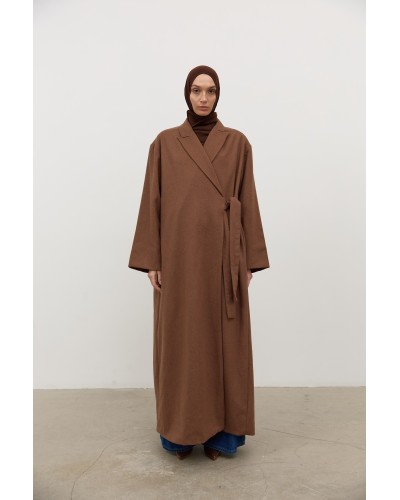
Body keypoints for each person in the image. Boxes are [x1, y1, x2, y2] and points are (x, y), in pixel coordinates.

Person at [128, 65, 270, 461]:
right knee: (181, 340)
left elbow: (249, 200)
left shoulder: (238, 143)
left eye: (210, 91)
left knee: (226, 342)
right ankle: (179, 434)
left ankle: (222, 436)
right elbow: (152, 202)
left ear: (218, 95)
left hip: (225, 257)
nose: (203, 98)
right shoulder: (164, 143)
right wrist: (152, 259)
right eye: (196, 90)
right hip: (178, 257)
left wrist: (249, 260)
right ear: (187, 95)